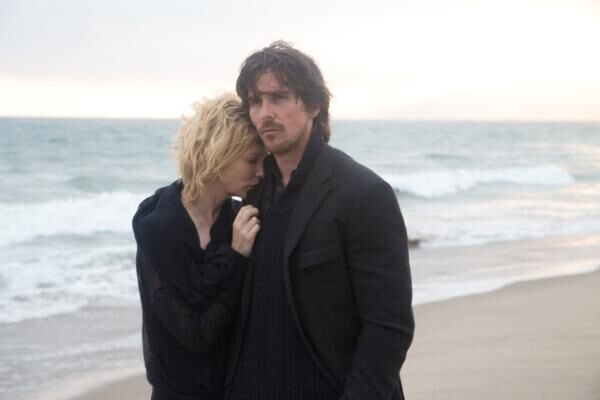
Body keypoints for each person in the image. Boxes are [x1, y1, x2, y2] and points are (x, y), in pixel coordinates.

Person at [225, 42, 415, 400]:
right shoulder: (252, 191)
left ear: (313, 105)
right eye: (255, 101)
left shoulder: (363, 193)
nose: (265, 113)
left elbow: (389, 327)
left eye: (278, 97)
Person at [132, 93, 265, 400]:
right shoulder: (160, 227)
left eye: (263, 161)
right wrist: (236, 258)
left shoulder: (238, 219)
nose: (260, 172)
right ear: (217, 154)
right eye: (251, 160)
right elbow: (195, 335)